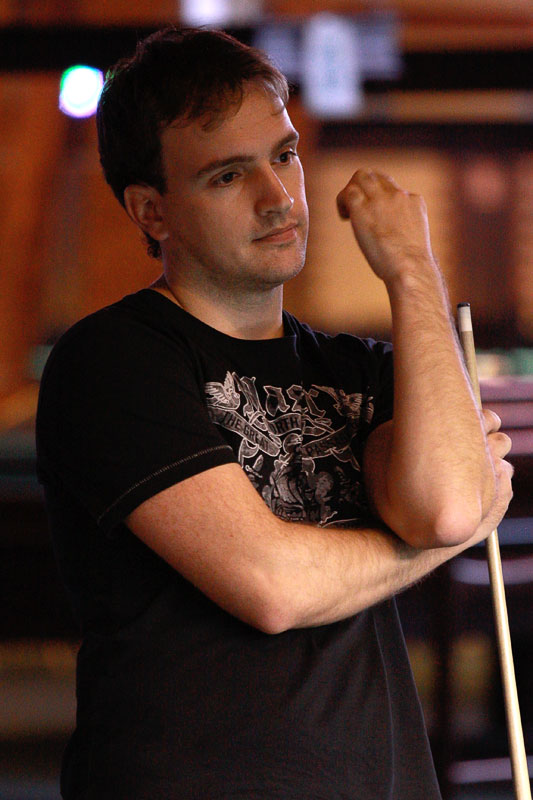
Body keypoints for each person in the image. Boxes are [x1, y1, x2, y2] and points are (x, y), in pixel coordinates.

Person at [36, 26, 513, 800]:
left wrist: (412, 271)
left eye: (283, 156)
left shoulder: (359, 367)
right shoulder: (114, 359)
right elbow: (270, 587)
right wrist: (432, 547)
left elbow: (446, 508)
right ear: (152, 212)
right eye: (227, 175)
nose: (276, 197)